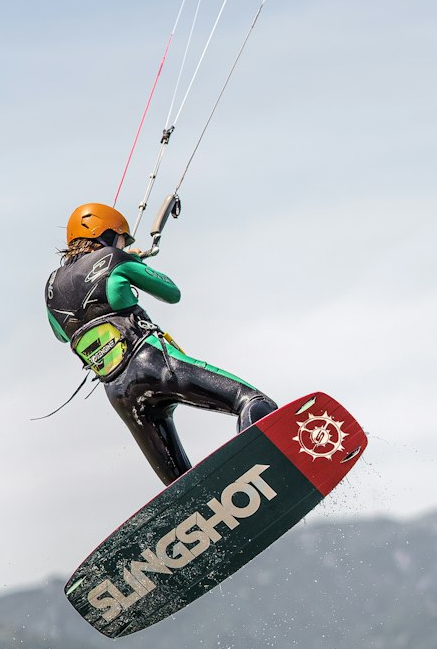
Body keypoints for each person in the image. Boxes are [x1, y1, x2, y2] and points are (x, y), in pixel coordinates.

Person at [45, 202, 277, 485]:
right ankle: (267, 472)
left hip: (119, 393)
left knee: (180, 486)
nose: (123, 244)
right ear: (105, 233)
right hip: (154, 363)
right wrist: (132, 263)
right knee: (252, 402)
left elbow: (61, 333)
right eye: (121, 238)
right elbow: (171, 292)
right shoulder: (113, 258)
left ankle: (200, 514)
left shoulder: (51, 289)